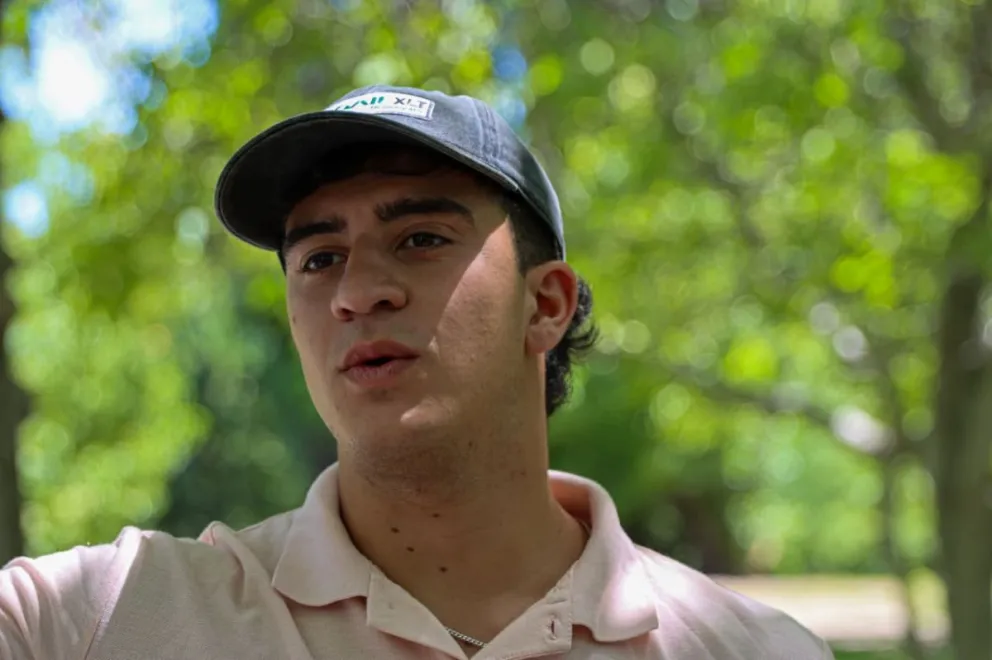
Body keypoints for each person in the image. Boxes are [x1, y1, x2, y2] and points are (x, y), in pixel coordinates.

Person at [0, 85, 833, 660]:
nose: (359, 293)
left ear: (544, 305)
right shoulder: (92, 620)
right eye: (320, 257)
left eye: (422, 239)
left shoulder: (754, 649)